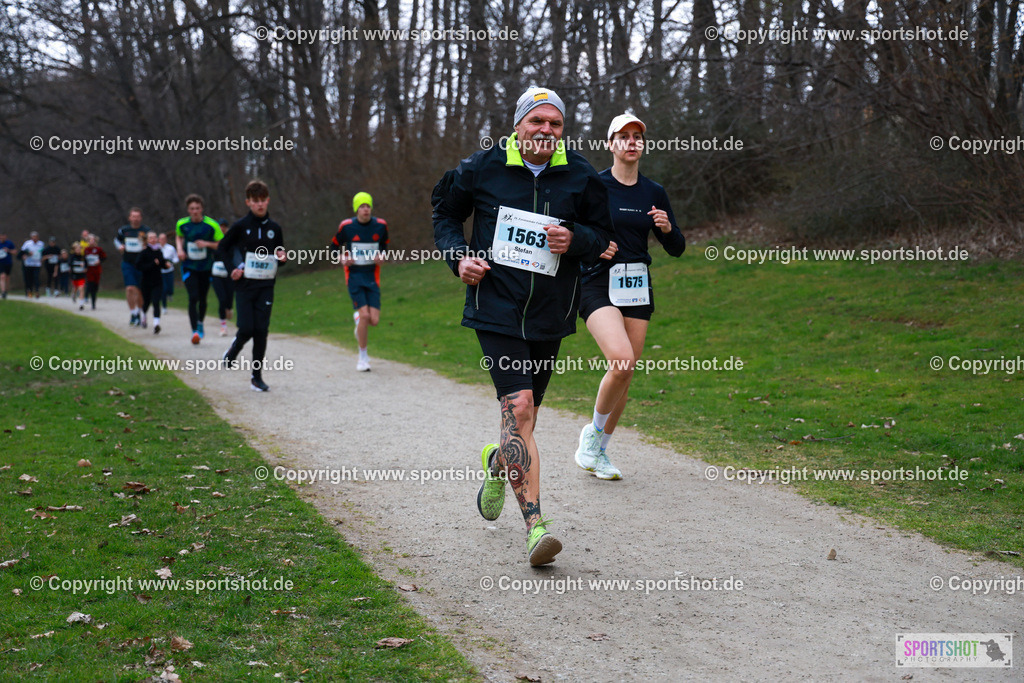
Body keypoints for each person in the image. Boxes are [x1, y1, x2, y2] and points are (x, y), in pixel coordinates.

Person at [432, 86, 615, 566]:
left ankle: (499, 462)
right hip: (495, 308)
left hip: (549, 314)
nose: (546, 131)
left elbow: (602, 237)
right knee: (522, 409)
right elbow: (446, 211)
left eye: (555, 124)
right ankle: (537, 527)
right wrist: (458, 257)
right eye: (537, 122)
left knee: (522, 423)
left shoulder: (580, 176)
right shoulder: (483, 166)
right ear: (518, 126)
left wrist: (574, 239)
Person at [574, 114, 686, 480]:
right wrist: (593, 246)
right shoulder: (594, 185)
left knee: (626, 373)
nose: (631, 142)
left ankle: (601, 452)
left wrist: (667, 229)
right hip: (596, 283)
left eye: (637, 136)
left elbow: (677, 247)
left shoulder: (653, 191)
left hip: (637, 286)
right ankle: (591, 438)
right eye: (623, 136)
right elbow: (570, 232)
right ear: (611, 144)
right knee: (621, 361)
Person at [219, 180, 286, 392]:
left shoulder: (275, 229)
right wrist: (232, 269)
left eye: (262, 201)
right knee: (247, 328)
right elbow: (221, 249)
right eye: (255, 201)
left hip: (266, 285)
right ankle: (233, 350)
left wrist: (283, 258)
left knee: (261, 331)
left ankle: (256, 377)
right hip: (245, 286)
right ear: (248, 202)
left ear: (268, 200)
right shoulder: (240, 227)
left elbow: (280, 254)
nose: (259, 205)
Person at [330, 192, 390, 371]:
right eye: (362, 206)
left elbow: (384, 245)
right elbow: (333, 247)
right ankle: (363, 358)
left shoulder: (380, 225)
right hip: (354, 275)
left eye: (368, 206)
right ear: (356, 209)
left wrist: (382, 255)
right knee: (365, 316)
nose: (365, 209)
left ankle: (359, 319)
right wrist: (341, 258)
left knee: (374, 320)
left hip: (372, 276)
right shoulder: (347, 226)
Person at [175, 194, 223, 344]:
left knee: (202, 298)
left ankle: (200, 323)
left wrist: (206, 244)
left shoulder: (211, 225)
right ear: (188, 210)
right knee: (193, 296)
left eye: (197, 208)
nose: (195, 211)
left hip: (206, 266)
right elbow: (179, 236)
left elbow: (221, 244)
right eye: (191, 209)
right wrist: (179, 250)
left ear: (201, 209)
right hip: (189, 266)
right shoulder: (182, 224)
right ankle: (194, 331)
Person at [114, 208, 148, 326]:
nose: (135, 219)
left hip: (141, 264)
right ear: (129, 218)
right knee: (129, 288)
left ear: (141, 218)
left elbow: (150, 244)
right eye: (133, 216)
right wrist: (120, 247)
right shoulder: (124, 230)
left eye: (137, 216)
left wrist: (146, 248)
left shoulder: (145, 231)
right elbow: (117, 241)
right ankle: (133, 313)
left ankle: (140, 312)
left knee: (139, 290)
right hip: (128, 263)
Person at [136, 230, 167, 332]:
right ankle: (143, 315)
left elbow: (162, 263)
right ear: (147, 239)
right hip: (146, 282)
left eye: (154, 237)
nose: (153, 239)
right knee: (146, 302)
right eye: (150, 238)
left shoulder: (159, 251)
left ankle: (156, 324)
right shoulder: (144, 252)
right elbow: (139, 266)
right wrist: (153, 264)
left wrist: (166, 265)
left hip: (157, 281)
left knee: (156, 302)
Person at [210, 220, 234, 337]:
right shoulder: (214, 241)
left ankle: (229, 308)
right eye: (220, 227)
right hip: (216, 273)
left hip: (229, 273)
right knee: (222, 299)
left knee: (229, 299)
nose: (222, 229)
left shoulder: (232, 240)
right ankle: (223, 326)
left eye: (224, 227)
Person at [83, 234, 108, 311]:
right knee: (90, 284)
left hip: (97, 270)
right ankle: (89, 299)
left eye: (93, 240)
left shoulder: (98, 249)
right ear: (87, 241)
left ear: (95, 241)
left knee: (95, 287)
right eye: (90, 240)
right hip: (89, 271)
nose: (91, 241)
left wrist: (99, 261)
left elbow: (104, 257)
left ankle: (93, 302)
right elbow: (85, 260)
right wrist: (84, 267)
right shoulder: (86, 250)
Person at [19, 231, 45, 298]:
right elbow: (22, 252)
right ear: (31, 237)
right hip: (28, 263)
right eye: (33, 237)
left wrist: (42, 258)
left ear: (38, 237)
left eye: (36, 237)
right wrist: (25, 255)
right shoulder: (27, 244)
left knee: (36, 278)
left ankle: (37, 291)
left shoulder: (41, 244)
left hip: (37, 263)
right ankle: (29, 291)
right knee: (28, 278)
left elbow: (43, 252)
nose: (34, 238)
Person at [158, 233, 179, 309]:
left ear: (166, 240)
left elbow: (176, 259)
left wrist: (171, 262)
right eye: (161, 239)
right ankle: (164, 306)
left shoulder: (171, 248)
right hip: (160, 272)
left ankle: (170, 294)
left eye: (164, 239)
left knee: (170, 288)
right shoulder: (156, 248)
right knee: (164, 288)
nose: (162, 240)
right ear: (158, 239)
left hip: (169, 271)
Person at [0, 231, 15, 299]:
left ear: (5, 237)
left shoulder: (9, 243)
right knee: (2, 276)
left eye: (3, 236)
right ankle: (3, 292)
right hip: (0, 262)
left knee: (7, 277)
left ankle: (6, 290)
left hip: (8, 262)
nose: (2, 238)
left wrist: (8, 250)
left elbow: (15, 252)